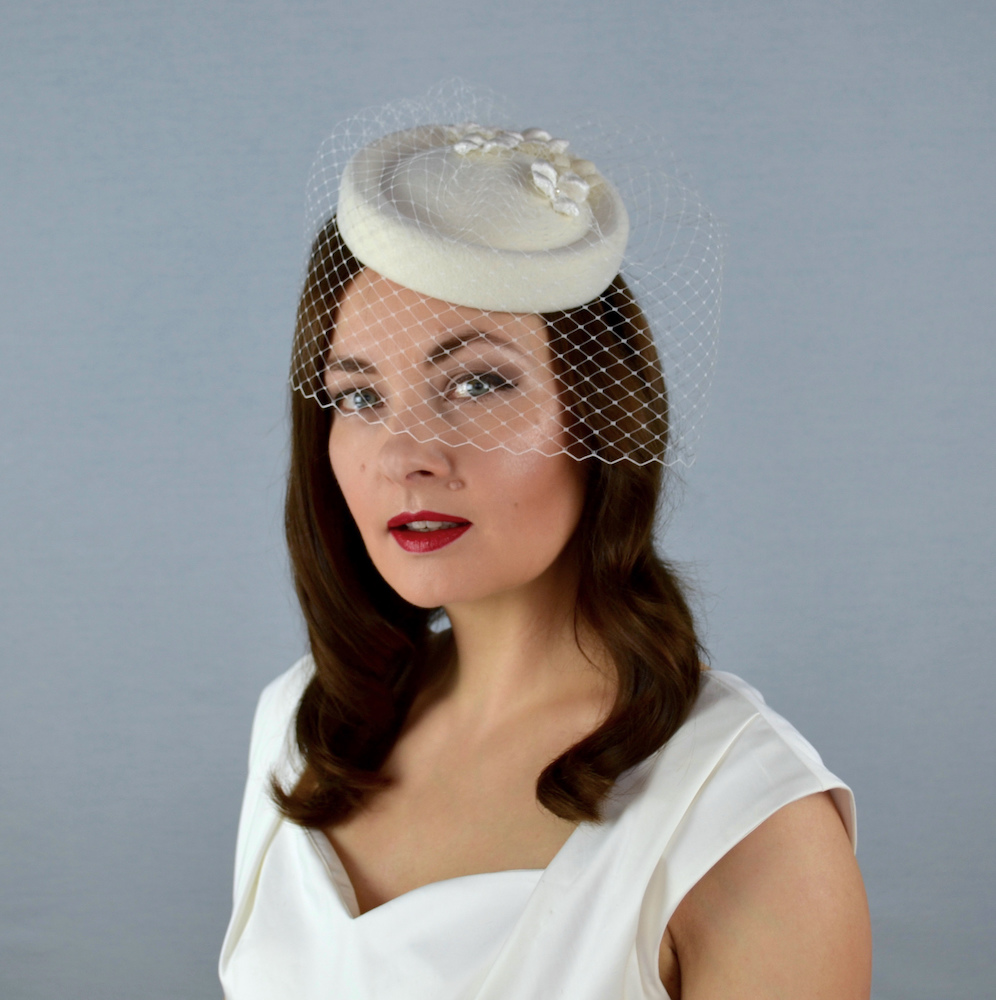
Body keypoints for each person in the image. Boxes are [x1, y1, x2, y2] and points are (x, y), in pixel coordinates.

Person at [219, 103, 871, 999]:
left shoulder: (740, 820)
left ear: (601, 417)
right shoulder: (302, 727)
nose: (406, 453)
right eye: (358, 397)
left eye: (476, 382)